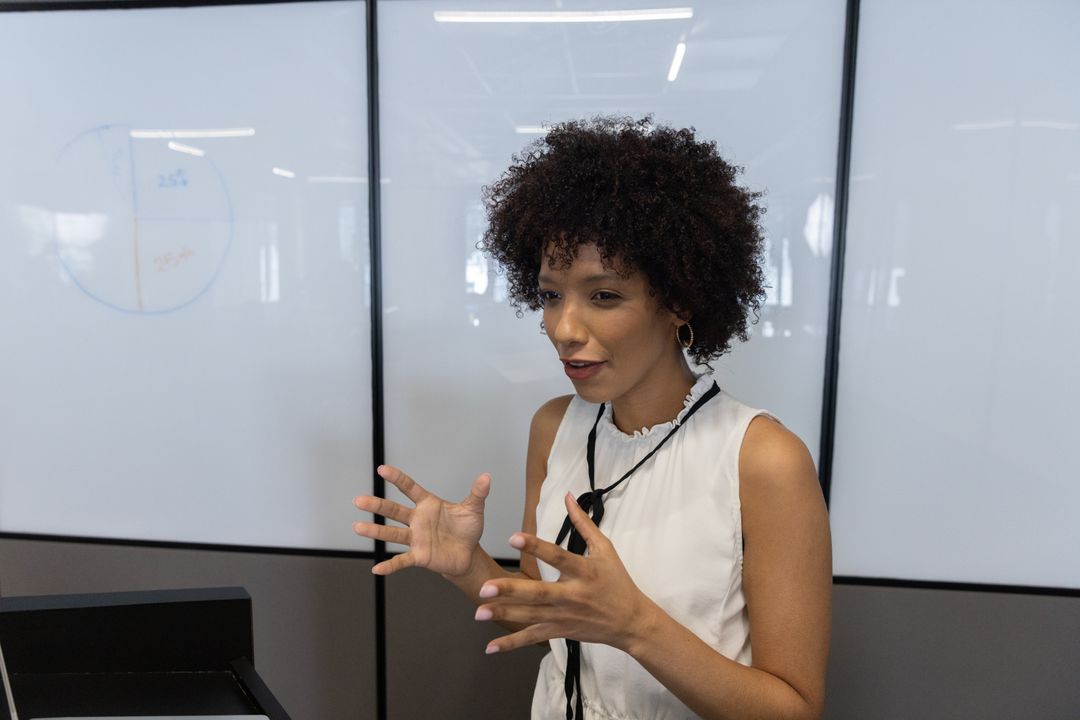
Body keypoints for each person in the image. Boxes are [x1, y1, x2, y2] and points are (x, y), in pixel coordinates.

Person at [353, 116, 831, 720]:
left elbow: (794, 709)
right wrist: (467, 566)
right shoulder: (555, 428)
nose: (563, 329)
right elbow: (549, 616)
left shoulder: (761, 459)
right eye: (551, 294)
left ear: (679, 298)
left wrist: (637, 627)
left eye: (603, 296)